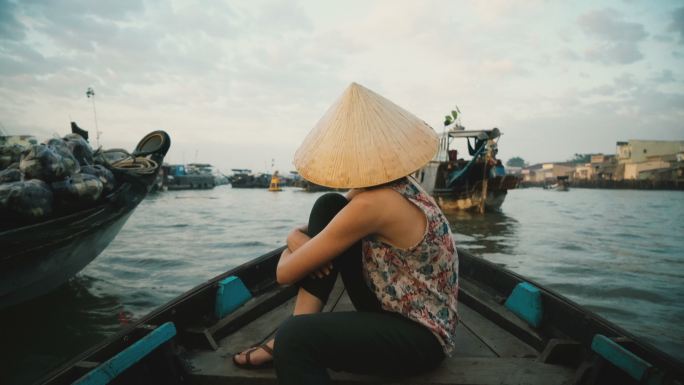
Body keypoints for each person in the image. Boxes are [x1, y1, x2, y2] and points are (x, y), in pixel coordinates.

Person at [232, 82, 459, 385]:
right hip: (390, 306)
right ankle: (299, 324)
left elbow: (284, 272)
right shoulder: (392, 186)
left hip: (420, 338)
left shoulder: (374, 204)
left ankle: (286, 340)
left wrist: (299, 249)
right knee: (328, 205)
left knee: (294, 339)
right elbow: (313, 229)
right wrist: (296, 238)